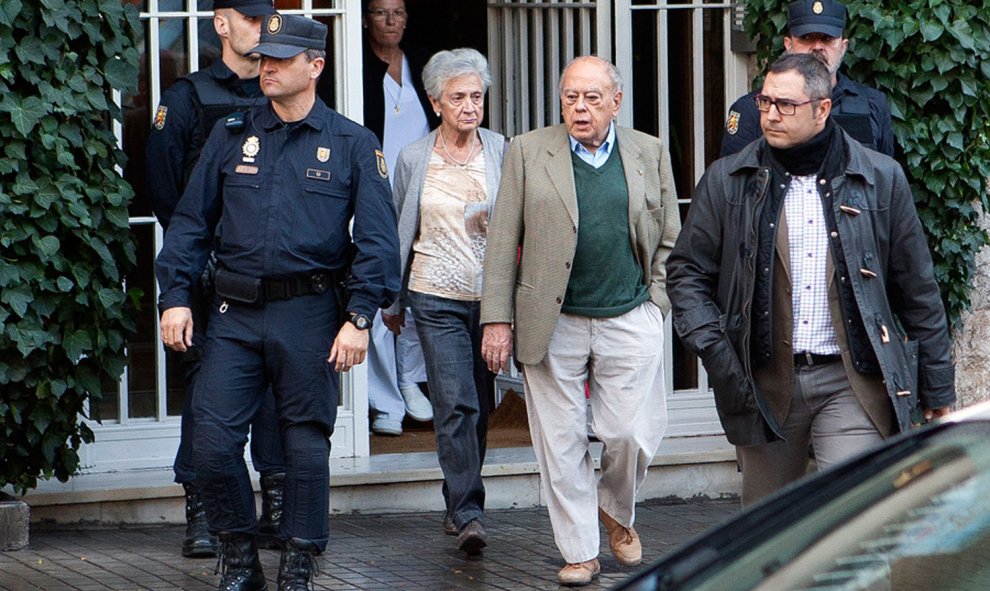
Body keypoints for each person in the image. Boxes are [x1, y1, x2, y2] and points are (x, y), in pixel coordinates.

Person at [156, 14, 400, 591]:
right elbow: (191, 224)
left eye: (280, 60)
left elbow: (377, 241)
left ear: (314, 66)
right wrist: (176, 298)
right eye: (263, 58)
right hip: (233, 314)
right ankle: (239, 556)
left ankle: (299, 560)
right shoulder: (231, 133)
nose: (266, 68)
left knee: (304, 448)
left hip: (310, 314)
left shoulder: (352, 144)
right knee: (212, 446)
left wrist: (359, 317)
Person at [667, 53, 955, 509]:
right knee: (767, 531)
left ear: (822, 109)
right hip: (763, 383)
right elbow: (686, 273)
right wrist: (718, 351)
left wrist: (937, 387)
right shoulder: (728, 180)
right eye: (764, 102)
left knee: (853, 520)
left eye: (785, 105)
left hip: (852, 379)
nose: (770, 115)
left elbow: (917, 290)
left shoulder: (880, 177)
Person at [480, 56, 679, 586]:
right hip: (553, 317)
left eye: (592, 97)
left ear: (616, 102)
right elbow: (502, 240)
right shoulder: (527, 151)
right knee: (561, 440)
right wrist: (496, 319)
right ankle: (580, 551)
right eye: (571, 97)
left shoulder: (648, 151)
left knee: (630, 433)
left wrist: (656, 301)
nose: (580, 107)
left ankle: (617, 512)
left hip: (628, 311)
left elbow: (669, 238)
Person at [145, 0, 286, 558]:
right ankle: (204, 510)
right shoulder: (187, 97)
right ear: (221, 24)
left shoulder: (286, 90)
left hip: (273, 270)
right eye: (252, 19)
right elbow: (163, 187)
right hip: (209, 272)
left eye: (267, 18)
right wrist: (198, 255)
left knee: (280, 386)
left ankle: (277, 504)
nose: (262, 28)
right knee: (209, 395)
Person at [387, 48, 506, 556]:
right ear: (436, 102)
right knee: (454, 402)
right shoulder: (415, 158)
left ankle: (456, 496)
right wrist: (392, 299)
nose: (469, 106)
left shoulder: (502, 149)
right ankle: (468, 510)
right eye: (458, 97)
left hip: (492, 297)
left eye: (476, 96)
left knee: (480, 406)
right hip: (434, 292)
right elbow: (396, 228)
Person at [359, 0, 440, 435]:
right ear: (366, 19)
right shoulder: (354, 68)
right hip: (373, 197)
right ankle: (385, 399)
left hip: (423, 195)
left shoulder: (424, 66)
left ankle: (411, 381)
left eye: (399, 12)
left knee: (420, 291)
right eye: (380, 12)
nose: (391, 21)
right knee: (375, 298)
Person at [720, 0, 894, 158]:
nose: (817, 47)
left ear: (843, 46)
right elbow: (734, 184)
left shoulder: (873, 104)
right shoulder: (752, 109)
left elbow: (885, 182)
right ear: (788, 45)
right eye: (806, 38)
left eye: (827, 39)